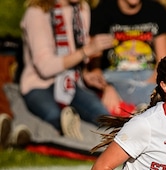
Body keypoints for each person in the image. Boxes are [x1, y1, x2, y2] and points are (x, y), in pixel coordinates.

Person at [19, 0, 114, 139]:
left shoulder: (81, 8)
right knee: (54, 116)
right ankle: (70, 136)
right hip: (39, 84)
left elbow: (76, 51)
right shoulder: (36, 13)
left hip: (72, 81)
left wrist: (87, 73)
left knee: (103, 117)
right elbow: (45, 67)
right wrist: (87, 50)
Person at [88, 0, 166, 110]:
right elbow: (95, 67)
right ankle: (147, 107)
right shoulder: (103, 10)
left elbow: (162, 59)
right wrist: (107, 88)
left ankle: (140, 108)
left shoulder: (156, 10)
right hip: (114, 76)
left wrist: (154, 81)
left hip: (148, 74)